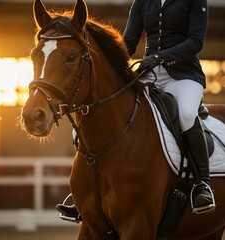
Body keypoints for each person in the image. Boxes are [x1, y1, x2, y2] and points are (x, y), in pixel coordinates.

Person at [57, 0, 215, 219]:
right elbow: (129, 42)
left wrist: (161, 56)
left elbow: (196, 42)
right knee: (100, 116)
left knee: (187, 115)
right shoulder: (143, 1)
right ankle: (87, 192)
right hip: (149, 73)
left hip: (184, 75)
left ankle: (202, 184)